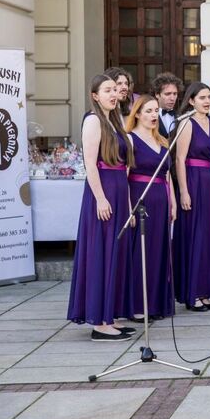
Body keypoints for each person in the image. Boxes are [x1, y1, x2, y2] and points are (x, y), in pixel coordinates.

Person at [66, 74, 136, 341]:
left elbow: (125, 167)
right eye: (106, 90)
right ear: (95, 96)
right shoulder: (93, 120)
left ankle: (111, 315)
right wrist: (101, 198)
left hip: (119, 189)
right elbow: (91, 163)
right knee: (102, 253)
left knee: (116, 254)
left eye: (114, 90)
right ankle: (100, 323)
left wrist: (128, 203)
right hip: (103, 191)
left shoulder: (115, 121)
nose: (112, 94)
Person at [125, 95, 176, 321]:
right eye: (148, 111)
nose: (154, 115)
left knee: (158, 252)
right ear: (137, 113)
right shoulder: (130, 140)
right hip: (140, 198)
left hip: (162, 198)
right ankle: (137, 305)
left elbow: (167, 175)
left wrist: (172, 201)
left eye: (156, 111)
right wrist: (128, 207)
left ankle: (155, 303)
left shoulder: (162, 140)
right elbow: (124, 176)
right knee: (140, 253)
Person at [173, 82, 210, 312]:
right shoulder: (186, 123)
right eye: (202, 97)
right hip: (193, 179)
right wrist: (183, 190)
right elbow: (179, 159)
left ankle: (206, 291)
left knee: (209, 237)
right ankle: (192, 293)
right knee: (195, 235)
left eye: (209, 97)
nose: (207, 101)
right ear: (191, 101)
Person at [151, 72, 183, 140]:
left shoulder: (181, 116)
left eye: (175, 94)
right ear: (157, 94)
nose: (172, 98)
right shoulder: (149, 116)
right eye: (167, 94)